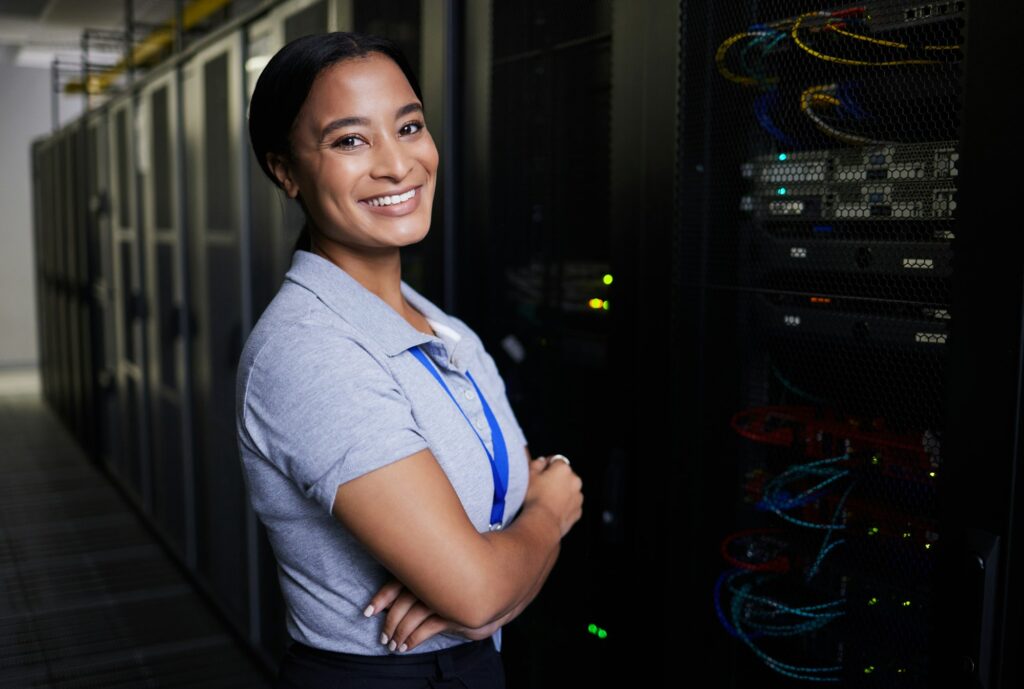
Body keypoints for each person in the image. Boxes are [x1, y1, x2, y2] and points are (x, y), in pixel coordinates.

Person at [237, 31, 584, 689]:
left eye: (410, 126)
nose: (398, 165)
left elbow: (489, 531)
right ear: (285, 170)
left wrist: (467, 575)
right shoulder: (312, 352)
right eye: (350, 140)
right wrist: (551, 511)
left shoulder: (439, 325)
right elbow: (482, 590)